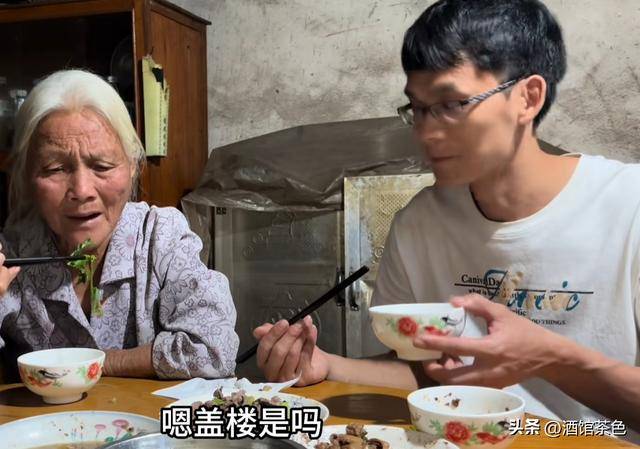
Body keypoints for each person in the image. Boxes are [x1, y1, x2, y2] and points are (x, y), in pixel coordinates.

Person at [253, 0, 640, 436]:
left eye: (453, 103)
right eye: (418, 109)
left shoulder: (629, 206)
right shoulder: (419, 223)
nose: (426, 132)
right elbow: (429, 373)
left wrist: (552, 358)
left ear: (528, 98)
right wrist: (326, 365)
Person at [0, 69, 239, 380]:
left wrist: (97, 364)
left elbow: (214, 350)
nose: (82, 190)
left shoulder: (160, 237)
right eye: (55, 168)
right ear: (26, 175)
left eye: (101, 166)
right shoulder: (11, 254)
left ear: (132, 166)